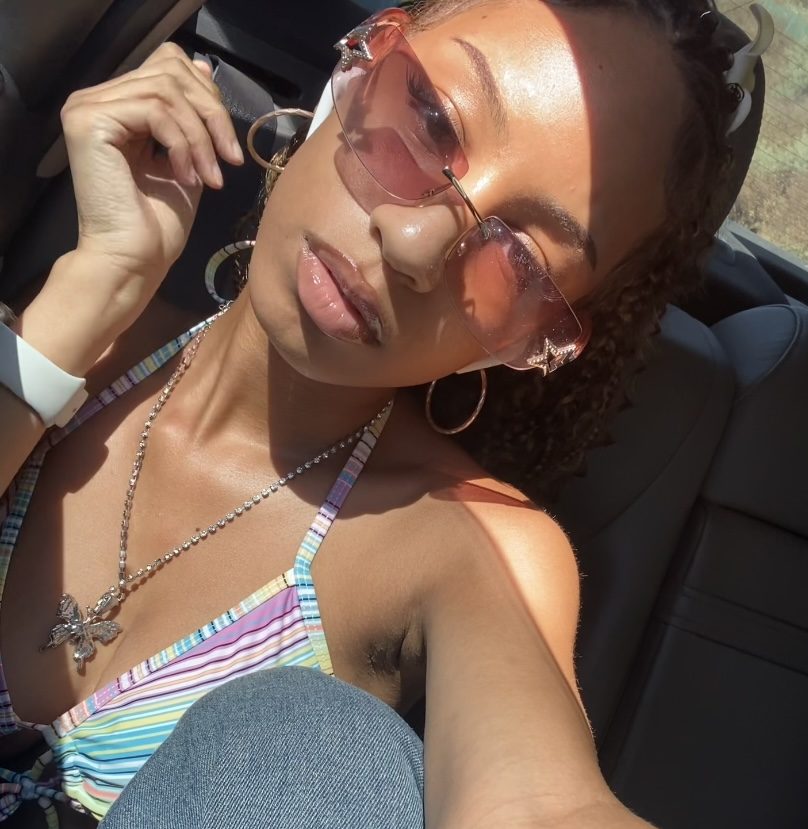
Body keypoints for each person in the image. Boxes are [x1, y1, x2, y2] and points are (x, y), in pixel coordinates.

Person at [0, 0, 739, 826]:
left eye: (520, 261)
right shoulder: (73, 334)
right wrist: (85, 292)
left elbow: (543, 802)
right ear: (357, 65)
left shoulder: (471, 545)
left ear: (537, 342)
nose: (415, 245)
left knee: (320, 741)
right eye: (432, 121)